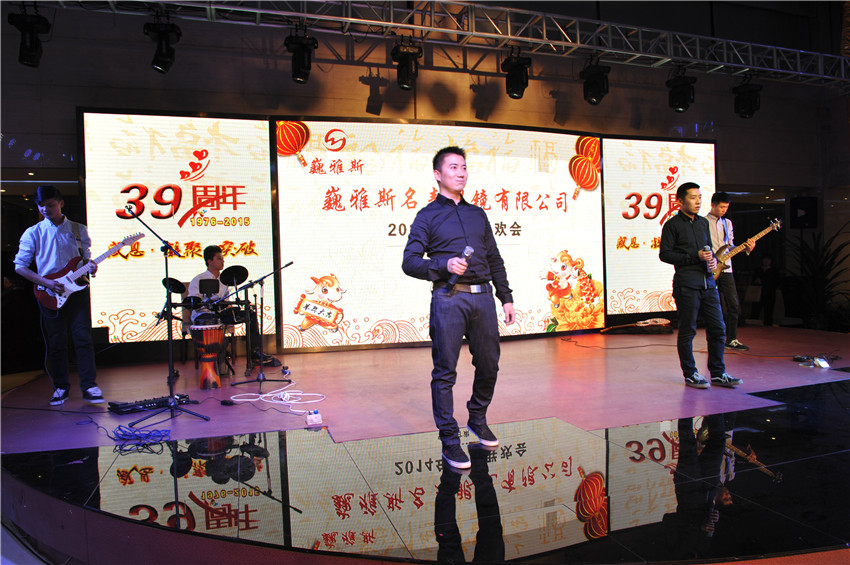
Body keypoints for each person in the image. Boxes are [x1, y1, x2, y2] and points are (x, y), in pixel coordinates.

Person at [402, 146, 516, 469]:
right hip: (448, 298)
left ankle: (477, 418)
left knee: (489, 364)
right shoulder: (427, 216)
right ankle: (450, 440)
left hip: (483, 298)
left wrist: (506, 296)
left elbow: (494, 258)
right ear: (438, 174)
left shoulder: (477, 214)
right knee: (445, 371)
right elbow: (409, 262)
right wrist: (444, 264)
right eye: (453, 167)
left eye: (464, 167)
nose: (461, 172)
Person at [13, 185, 104, 406]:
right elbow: (20, 267)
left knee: (83, 338)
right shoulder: (33, 233)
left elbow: (84, 260)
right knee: (56, 342)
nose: (45, 209)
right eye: (41, 205)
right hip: (49, 293)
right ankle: (61, 387)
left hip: (78, 291)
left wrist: (91, 267)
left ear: (61, 203)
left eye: (50, 205)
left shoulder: (78, 230)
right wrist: (46, 282)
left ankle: (89, 386)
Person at [659, 182, 742, 389]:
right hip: (687, 284)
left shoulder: (703, 223)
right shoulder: (672, 225)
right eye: (693, 197)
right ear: (680, 201)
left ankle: (718, 373)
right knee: (688, 330)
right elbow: (665, 254)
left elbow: (708, 250)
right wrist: (694, 256)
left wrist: (712, 260)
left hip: (709, 283)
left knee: (718, 328)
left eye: (700, 197)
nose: (698, 201)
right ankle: (690, 374)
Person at [187, 245, 277, 366]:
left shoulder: (224, 281)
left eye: (222, 258)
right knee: (211, 322)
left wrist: (229, 307)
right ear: (209, 261)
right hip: (204, 315)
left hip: (220, 313)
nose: (223, 261)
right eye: (219, 258)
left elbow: (226, 300)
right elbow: (194, 302)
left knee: (250, 314)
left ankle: (255, 352)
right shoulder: (199, 279)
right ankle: (216, 354)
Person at [706, 192, 755, 350]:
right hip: (710, 267)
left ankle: (732, 339)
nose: (724, 210)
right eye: (721, 207)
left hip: (727, 268)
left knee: (733, 304)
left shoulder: (727, 223)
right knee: (710, 304)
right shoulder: (703, 222)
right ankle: (713, 338)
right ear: (713, 205)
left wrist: (745, 248)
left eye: (726, 207)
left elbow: (730, 246)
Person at [750, 254, 779, 326]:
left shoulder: (774, 270)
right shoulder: (758, 269)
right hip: (758, 293)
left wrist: (763, 281)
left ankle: (768, 326)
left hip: (769, 293)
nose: (766, 261)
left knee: (768, 311)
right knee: (755, 311)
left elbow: (775, 282)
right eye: (765, 259)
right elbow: (753, 280)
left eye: (768, 259)